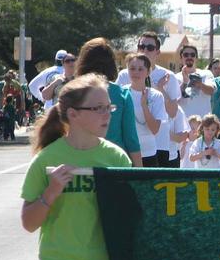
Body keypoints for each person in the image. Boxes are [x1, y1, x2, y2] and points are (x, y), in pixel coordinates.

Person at [20, 74, 131, 260]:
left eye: (109, 108)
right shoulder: (47, 159)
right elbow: (28, 223)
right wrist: (51, 192)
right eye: (98, 108)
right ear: (73, 114)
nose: (107, 114)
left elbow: (127, 227)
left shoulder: (117, 159)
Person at [75, 37, 142, 167]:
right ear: (111, 63)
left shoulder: (71, 91)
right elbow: (131, 139)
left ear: (83, 62)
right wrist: (140, 174)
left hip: (79, 166)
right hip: (115, 165)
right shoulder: (122, 94)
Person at [116, 32, 181, 167]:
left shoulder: (168, 76)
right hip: (129, 146)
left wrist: (159, 88)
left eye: (150, 47)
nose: (145, 50)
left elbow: (173, 113)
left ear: (157, 51)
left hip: (159, 144)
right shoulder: (123, 76)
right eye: (141, 46)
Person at [123, 54, 168, 167]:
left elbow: (154, 129)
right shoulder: (122, 93)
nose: (136, 72)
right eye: (132, 69)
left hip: (148, 153)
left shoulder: (156, 96)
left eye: (140, 69)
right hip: (126, 152)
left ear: (148, 72)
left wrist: (144, 106)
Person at [175, 45, 215, 119]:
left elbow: (211, 91)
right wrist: (185, 81)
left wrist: (199, 84)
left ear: (196, 58)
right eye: (186, 55)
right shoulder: (175, 77)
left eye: (192, 55)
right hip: (184, 124)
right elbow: (175, 100)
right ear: (181, 58)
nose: (189, 57)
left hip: (204, 124)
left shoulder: (206, 74)